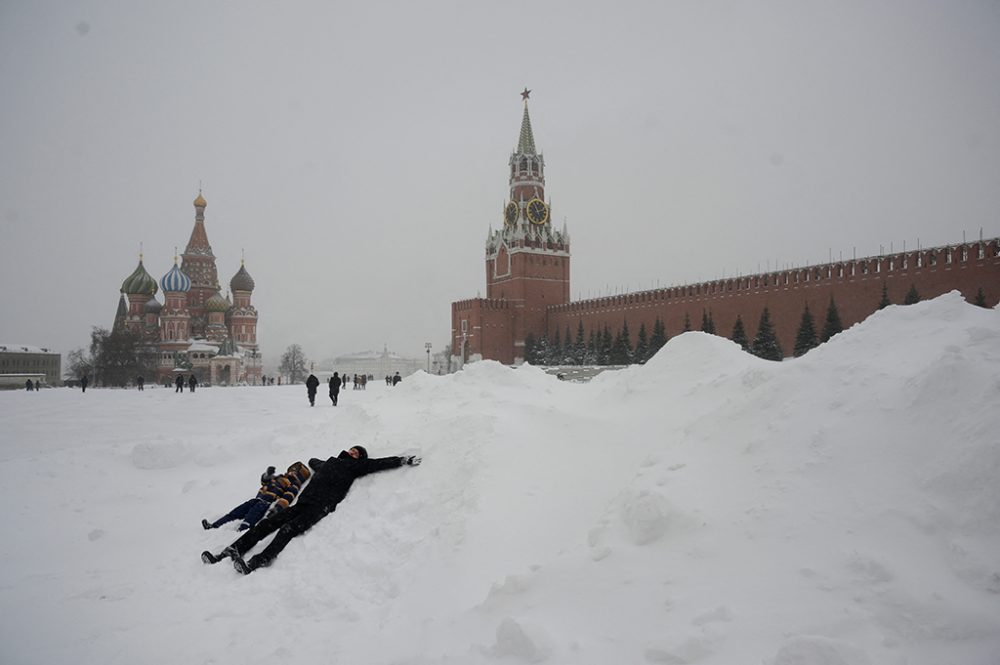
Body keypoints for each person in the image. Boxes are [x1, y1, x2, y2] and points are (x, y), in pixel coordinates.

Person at [202, 446, 422, 574]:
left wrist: (402, 459)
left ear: (359, 459)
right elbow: (313, 461)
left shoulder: (356, 466)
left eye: (357, 453)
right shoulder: (330, 462)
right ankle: (231, 550)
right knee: (268, 524)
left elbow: (379, 463)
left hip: (320, 506)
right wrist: (316, 462)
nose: (353, 452)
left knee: (288, 530)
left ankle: (258, 561)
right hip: (304, 501)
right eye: (353, 449)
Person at [202, 462, 311, 531]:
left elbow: (288, 496)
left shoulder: (294, 483)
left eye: (295, 471)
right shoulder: (280, 477)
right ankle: (215, 526)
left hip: (267, 502)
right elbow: (264, 482)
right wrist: (267, 475)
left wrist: (278, 508)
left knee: (251, 516)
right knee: (235, 512)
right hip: (256, 499)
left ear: (300, 476)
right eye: (292, 469)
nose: (292, 472)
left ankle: (242, 530)